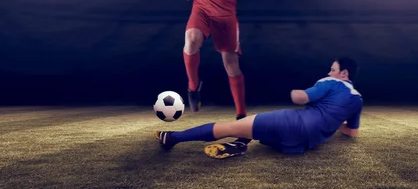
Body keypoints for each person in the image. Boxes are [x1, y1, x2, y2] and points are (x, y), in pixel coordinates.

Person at [156, 57, 363, 159]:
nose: (330, 71)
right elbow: (352, 132)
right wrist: (335, 123)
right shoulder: (358, 100)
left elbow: (302, 97)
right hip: (301, 145)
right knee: (254, 129)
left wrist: (290, 92)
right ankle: (239, 145)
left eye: (333, 69)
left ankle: (171, 138)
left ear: (344, 73)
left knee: (231, 126)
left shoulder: (331, 82)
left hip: (293, 124)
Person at [182, 0, 253, 125]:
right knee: (191, 39)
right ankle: (193, 87)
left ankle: (241, 114)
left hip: (225, 15)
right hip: (201, 9)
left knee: (230, 64)